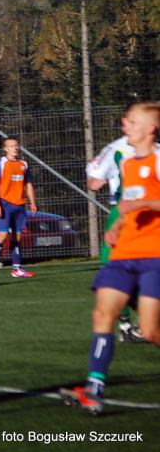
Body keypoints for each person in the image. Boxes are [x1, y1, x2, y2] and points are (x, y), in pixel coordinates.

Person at [60, 101, 160, 415]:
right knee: (103, 315)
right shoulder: (128, 164)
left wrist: (143, 203)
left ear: (149, 129)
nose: (124, 126)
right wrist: (116, 226)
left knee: (151, 330)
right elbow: (128, 204)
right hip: (123, 254)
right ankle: (94, 389)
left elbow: (141, 202)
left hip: (154, 256)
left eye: (130, 122)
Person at [86, 123, 157, 343]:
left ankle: (131, 323)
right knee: (120, 271)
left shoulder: (116, 148)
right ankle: (130, 324)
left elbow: (94, 183)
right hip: (129, 215)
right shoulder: (118, 151)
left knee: (119, 270)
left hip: (135, 214)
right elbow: (94, 182)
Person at [0, 137, 38, 279]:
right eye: (11, 146)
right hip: (5, 204)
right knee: (3, 234)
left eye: (16, 145)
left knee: (17, 237)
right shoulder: (1, 163)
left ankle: (17, 269)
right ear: (5, 148)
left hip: (20, 206)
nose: (15, 148)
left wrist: (32, 202)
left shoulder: (23, 164)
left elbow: (28, 184)